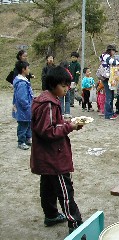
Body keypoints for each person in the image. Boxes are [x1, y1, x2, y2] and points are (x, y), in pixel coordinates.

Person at [30, 66, 84, 234]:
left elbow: (50, 124)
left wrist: (65, 121)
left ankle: (51, 215)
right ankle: (75, 223)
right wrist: (70, 127)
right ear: (53, 85)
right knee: (65, 189)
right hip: (54, 156)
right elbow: (47, 131)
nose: (67, 89)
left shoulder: (47, 100)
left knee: (47, 186)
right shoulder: (48, 104)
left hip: (45, 156)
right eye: (64, 85)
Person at [12, 60, 34, 150]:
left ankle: (28, 139)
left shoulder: (24, 80)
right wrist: (27, 106)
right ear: (23, 69)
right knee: (23, 124)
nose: (29, 69)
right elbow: (22, 97)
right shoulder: (21, 83)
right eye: (28, 68)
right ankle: (21, 141)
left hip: (27, 107)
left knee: (28, 123)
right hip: (23, 108)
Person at [99, 44, 119, 120]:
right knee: (109, 96)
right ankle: (108, 114)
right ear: (110, 50)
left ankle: (111, 112)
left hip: (110, 78)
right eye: (113, 51)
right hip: (106, 78)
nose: (114, 53)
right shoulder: (105, 56)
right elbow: (115, 62)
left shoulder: (107, 56)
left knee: (111, 96)